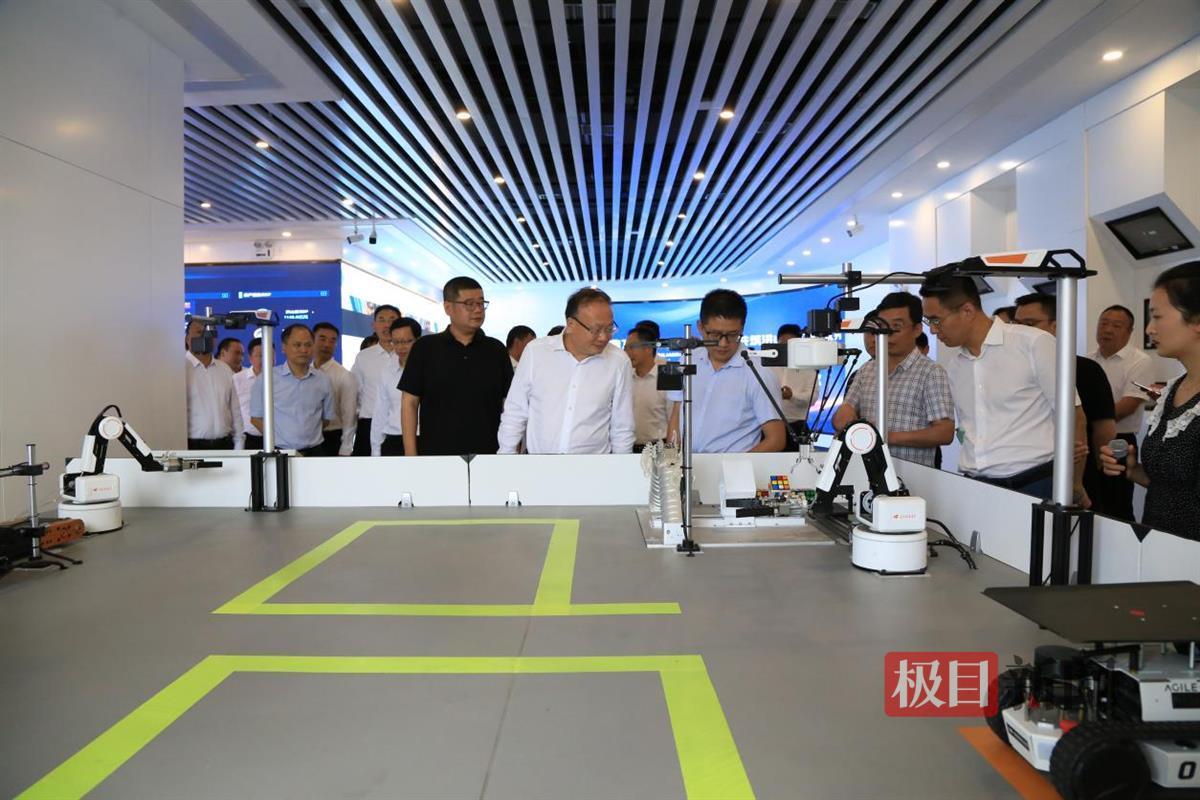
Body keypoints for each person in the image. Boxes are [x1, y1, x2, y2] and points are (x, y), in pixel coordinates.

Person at [920, 275, 1087, 501]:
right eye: (928, 321)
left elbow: (1075, 417)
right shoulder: (956, 365)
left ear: (967, 311)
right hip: (977, 485)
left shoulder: (1033, 343)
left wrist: (1074, 485)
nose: (932, 330)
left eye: (936, 320)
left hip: (1034, 483)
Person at [1101, 261, 1200, 538]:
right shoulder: (1174, 389)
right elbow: (1172, 488)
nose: (1149, 330)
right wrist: (1134, 470)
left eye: (1157, 317)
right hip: (1157, 545)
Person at [1014, 294, 1117, 511]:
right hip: (1025, 476)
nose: (1021, 331)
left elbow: (1104, 430)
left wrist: (1087, 475)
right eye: (1016, 324)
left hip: (1077, 474)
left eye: (1030, 324)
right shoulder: (1012, 371)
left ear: (1056, 326)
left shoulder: (1086, 370)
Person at [498, 288, 634, 454]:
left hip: (594, 465)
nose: (604, 337)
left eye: (609, 328)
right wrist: (506, 455)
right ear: (570, 324)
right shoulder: (536, 352)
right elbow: (515, 411)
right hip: (539, 463)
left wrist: (621, 466)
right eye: (596, 330)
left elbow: (622, 427)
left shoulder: (618, 361)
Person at [832, 292, 955, 467]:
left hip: (913, 476)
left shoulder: (931, 372)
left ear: (917, 329)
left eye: (896, 327)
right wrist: (849, 423)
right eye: (882, 327)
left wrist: (884, 435)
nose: (886, 334)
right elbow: (844, 412)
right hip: (866, 471)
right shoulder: (867, 370)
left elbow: (944, 432)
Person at [399, 277, 513, 455]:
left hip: (489, 453)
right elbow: (409, 403)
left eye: (481, 303)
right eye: (469, 304)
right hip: (437, 454)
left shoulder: (496, 349)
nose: (478, 309)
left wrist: (510, 451)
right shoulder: (425, 348)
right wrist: (411, 456)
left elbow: (509, 404)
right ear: (448, 308)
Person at [665, 289, 786, 453]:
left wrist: (736, 465)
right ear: (700, 327)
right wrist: (671, 458)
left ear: (742, 328)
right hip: (687, 464)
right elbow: (676, 416)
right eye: (715, 334)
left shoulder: (758, 373)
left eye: (732, 335)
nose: (723, 344)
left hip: (732, 466)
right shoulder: (687, 360)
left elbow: (776, 439)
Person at [1091, 303, 1156, 520]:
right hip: (1088, 437)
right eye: (1103, 323)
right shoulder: (1088, 360)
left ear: (1129, 331)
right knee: (1091, 497)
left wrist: (1088, 418)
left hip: (1119, 441)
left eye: (1117, 326)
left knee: (1116, 501)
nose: (1108, 330)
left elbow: (1128, 405)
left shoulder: (1140, 361)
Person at [250, 324, 333, 456]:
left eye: (308, 345)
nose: (303, 350)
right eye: (297, 345)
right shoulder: (267, 378)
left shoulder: (323, 380)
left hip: (315, 452)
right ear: (284, 347)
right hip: (279, 451)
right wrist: (278, 439)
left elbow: (326, 419)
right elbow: (256, 418)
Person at [350, 304, 401, 456]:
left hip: (400, 424)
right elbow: (355, 394)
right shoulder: (364, 357)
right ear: (374, 325)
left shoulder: (409, 355)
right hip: (369, 423)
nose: (387, 325)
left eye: (392, 320)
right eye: (382, 320)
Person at [184, 319, 242, 450]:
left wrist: (239, 444)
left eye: (209, 333)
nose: (204, 337)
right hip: (193, 446)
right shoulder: (179, 369)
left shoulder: (225, 369)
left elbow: (235, 410)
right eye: (199, 332)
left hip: (224, 445)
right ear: (187, 339)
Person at [371, 318, 420, 456]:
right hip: (394, 440)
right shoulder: (387, 372)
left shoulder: (431, 370)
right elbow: (380, 413)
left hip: (424, 438)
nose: (401, 347)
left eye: (407, 341)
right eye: (396, 342)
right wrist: (376, 451)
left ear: (418, 340)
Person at [312, 322, 358, 457]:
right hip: (306, 437)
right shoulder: (305, 372)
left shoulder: (344, 376)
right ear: (312, 340)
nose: (327, 344)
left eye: (332, 341)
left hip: (332, 438)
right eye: (322, 339)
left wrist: (346, 448)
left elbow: (349, 415)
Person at [623, 324, 671, 450]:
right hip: (628, 449)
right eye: (625, 348)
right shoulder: (625, 378)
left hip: (658, 449)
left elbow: (674, 419)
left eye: (632, 347)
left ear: (649, 348)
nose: (627, 353)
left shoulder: (666, 377)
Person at [772, 323, 819, 441]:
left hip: (797, 426)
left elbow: (813, 397)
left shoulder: (808, 367)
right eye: (782, 345)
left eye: (790, 345)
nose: (786, 349)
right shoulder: (768, 366)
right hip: (771, 427)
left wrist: (793, 396)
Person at [235, 338, 263, 450]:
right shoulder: (237, 379)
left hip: (278, 439)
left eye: (270, 354)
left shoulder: (280, 380)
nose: (265, 359)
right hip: (248, 438)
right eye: (260, 355)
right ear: (250, 358)